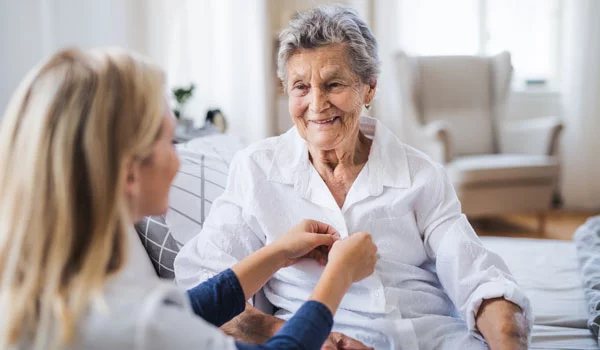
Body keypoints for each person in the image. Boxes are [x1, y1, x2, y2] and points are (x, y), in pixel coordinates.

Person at [175, 5, 532, 349]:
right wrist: (282, 332)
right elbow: (204, 284)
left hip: (429, 338)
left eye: (333, 85)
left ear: (369, 88)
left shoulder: (421, 175)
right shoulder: (256, 170)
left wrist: (506, 335)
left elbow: (479, 280)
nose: (316, 104)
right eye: (301, 87)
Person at [0, 47, 379, 350]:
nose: (179, 157)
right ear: (130, 172)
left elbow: (188, 310)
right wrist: (337, 276)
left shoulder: (57, 295)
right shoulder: (143, 326)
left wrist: (276, 253)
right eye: (170, 140)